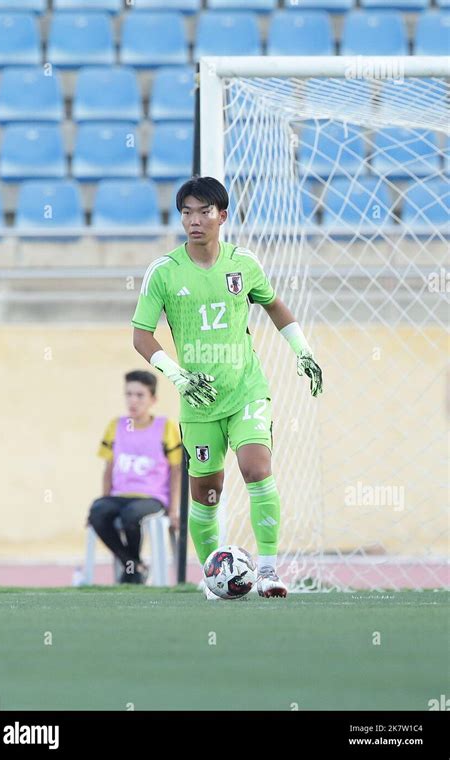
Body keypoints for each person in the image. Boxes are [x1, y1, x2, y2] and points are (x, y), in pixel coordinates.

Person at [132, 176, 323, 599]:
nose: (194, 220)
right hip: (198, 401)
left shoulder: (244, 264)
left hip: (245, 391)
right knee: (206, 492)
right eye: (186, 212)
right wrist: (177, 375)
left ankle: (270, 571)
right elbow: (141, 335)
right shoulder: (164, 271)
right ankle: (216, 574)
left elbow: (273, 304)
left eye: (203, 212)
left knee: (256, 468)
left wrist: (302, 349)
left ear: (222, 215)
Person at [89, 370, 182, 584]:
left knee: (131, 515)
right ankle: (135, 564)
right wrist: (103, 499)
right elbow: (109, 467)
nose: (133, 400)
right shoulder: (116, 426)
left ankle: (132, 570)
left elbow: (176, 470)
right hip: (120, 495)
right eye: (129, 394)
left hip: (151, 498)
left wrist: (174, 509)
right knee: (98, 512)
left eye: (140, 395)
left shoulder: (165, 427)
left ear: (153, 399)